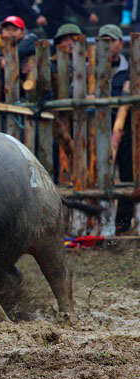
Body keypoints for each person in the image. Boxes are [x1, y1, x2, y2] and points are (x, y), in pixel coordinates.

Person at [100, 24, 133, 233]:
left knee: (128, 174)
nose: (108, 45)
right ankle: (98, 223)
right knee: (96, 176)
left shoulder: (131, 70)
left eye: (111, 40)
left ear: (121, 44)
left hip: (127, 129)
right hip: (97, 129)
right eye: (103, 40)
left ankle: (122, 223)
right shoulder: (88, 68)